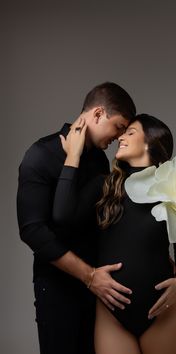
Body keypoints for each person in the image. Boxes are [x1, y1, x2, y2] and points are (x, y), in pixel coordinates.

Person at [53, 113, 176, 354]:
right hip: (112, 317)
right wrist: (72, 156)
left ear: (150, 142)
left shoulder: (173, 190)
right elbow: (62, 218)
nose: (121, 137)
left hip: (164, 313)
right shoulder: (104, 186)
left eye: (130, 132)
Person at [16, 81, 136, 354]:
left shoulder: (100, 161)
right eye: (119, 126)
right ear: (97, 114)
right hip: (58, 287)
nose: (119, 137)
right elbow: (33, 232)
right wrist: (89, 276)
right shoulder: (40, 155)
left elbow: (103, 222)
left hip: (99, 288)